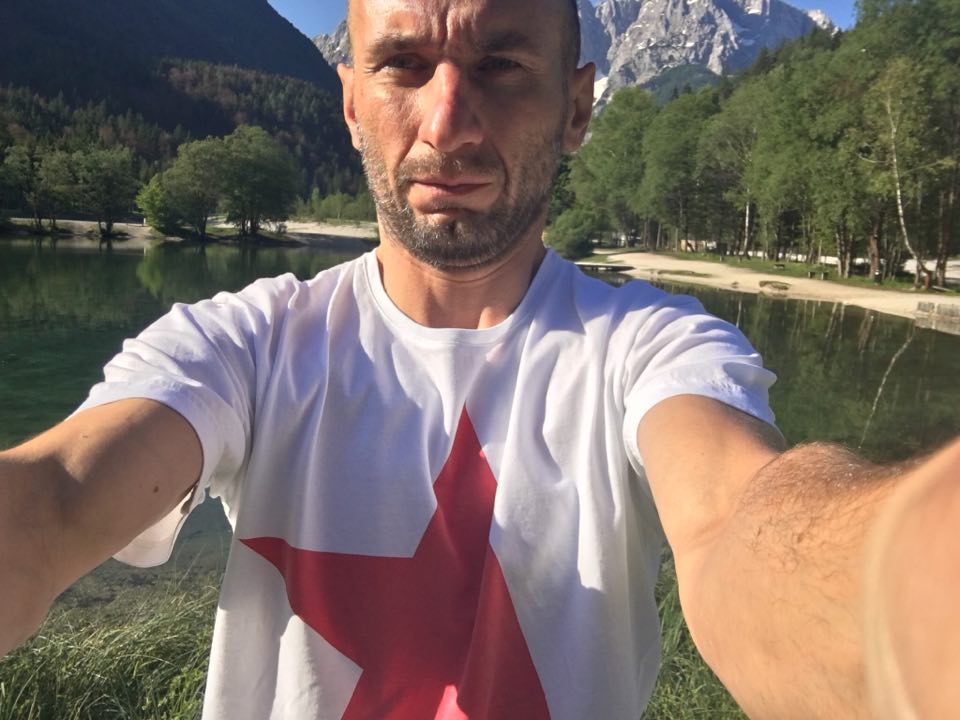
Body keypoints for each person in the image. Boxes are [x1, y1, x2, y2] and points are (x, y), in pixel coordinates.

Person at [1, 0, 957, 717]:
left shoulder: (652, 348)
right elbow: (58, 498)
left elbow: (740, 522)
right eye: (403, 65)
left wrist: (911, 588)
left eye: (500, 64)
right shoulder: (243, 344)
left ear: (576, 107)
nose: (448, 121)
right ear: (351, 104)